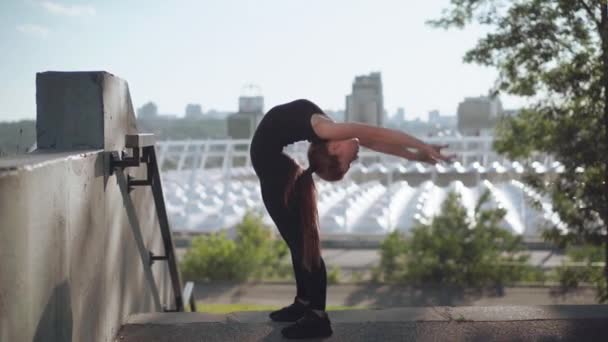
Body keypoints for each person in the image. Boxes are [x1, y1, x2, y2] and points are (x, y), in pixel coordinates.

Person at [249, 99, 454, 339]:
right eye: (350, 163)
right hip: (272, 169)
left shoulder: (330, 132)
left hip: (272, 166)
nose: (355, 160)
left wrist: (418, 156)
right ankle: (315, 316)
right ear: (335, 150)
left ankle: (307, 305)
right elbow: (377, 134)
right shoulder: (327, 131)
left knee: (301, 244)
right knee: (302, 245)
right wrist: (423, 146)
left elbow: (376, 141)